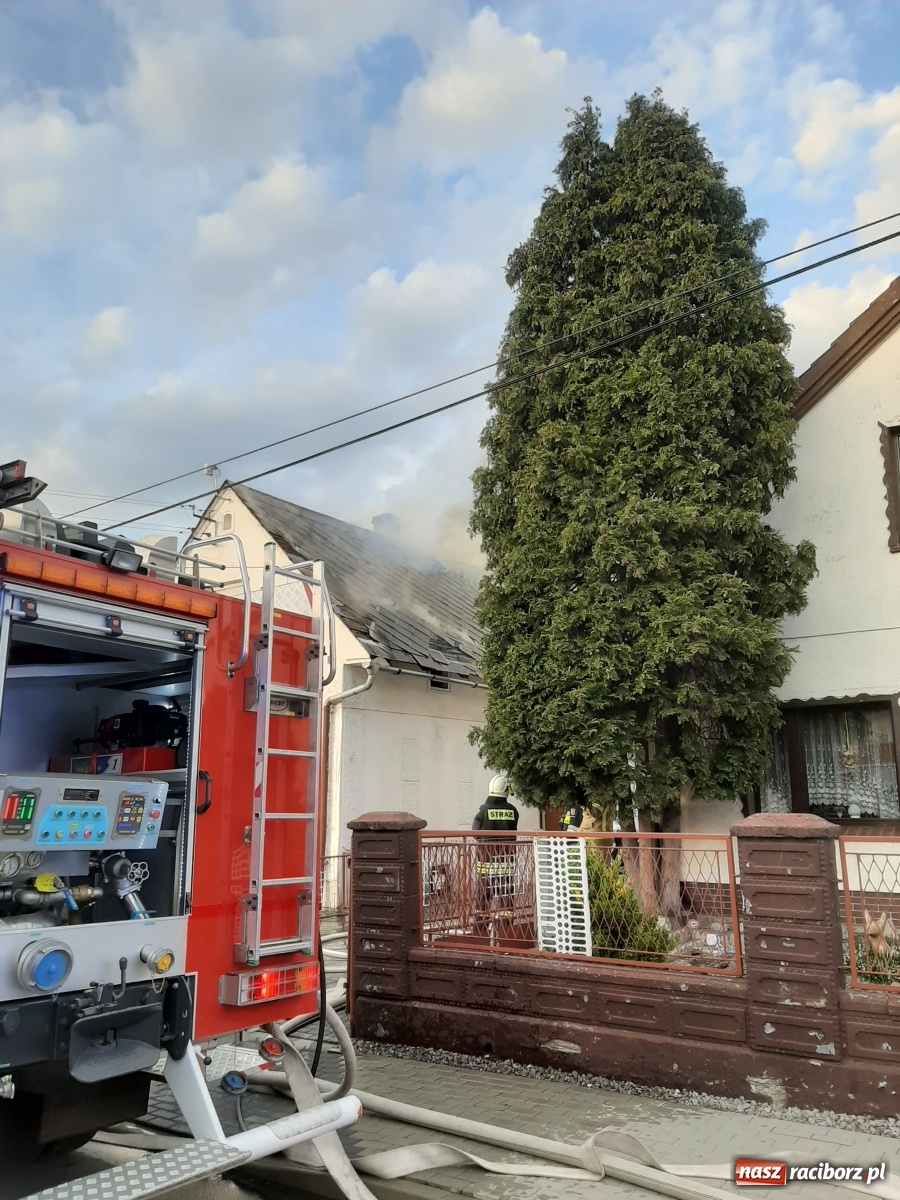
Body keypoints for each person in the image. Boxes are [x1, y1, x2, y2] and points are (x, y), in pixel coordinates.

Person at [472, 775, 519, 937]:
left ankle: (480, 929)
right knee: (506, 896)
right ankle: (506, 930)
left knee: (483, 896)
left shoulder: (483, 809)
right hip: (506, 862)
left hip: (486, 862)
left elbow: (475, 833)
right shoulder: (513, 810)